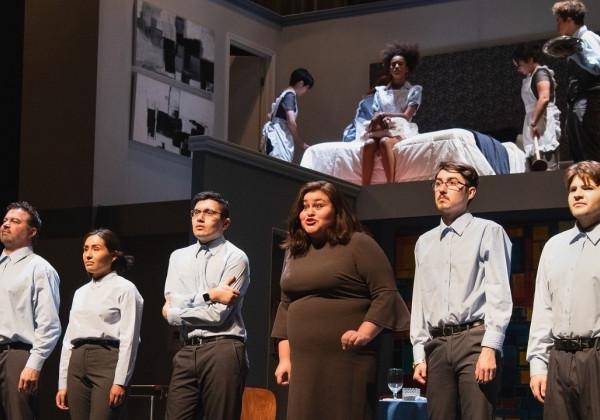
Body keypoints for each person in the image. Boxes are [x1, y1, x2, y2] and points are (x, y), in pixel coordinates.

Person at [272, 180, 410, 420]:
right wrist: (285, 358)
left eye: (318, 205)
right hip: (304, 363)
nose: (310, 212)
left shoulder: (359, 244)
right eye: (305, 206)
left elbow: (386, 293)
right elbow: (286, 305)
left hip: (347, 359)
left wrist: (364, 333)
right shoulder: (294, 250)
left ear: (336, 210)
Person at [410, 162, 513, 420]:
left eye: (453, 183)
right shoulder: (424, 242)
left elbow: (499, 293)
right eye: (439, 183)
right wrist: (418, 354)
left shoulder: (488, 231)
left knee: (477, 415)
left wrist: (490, 347)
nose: (443, 189)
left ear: (470, 192)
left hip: (475, 339)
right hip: (437, 344)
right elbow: (420, 300)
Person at [162, 191, 250, 420]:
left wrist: (178, 309)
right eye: (196, 212)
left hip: (222, 348)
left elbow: (217, 315)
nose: (200, 218)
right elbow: (169, 306)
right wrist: (210, 294)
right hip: (186, 348)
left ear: (225, 222)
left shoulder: (236, 258)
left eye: (209, 213)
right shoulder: (177, 257)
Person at [527, 160, 600, 419]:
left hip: (596, 356)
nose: (578, 194)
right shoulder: (554, 247)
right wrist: (538, 365)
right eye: (573, 189)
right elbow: (543, 309)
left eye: (588, 188)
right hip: (559, 357)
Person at [55, 229, 143, 420]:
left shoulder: (125, 289)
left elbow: (130, 339)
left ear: (113, 256)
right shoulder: (80, 292)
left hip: (107, 360)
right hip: (77, 363)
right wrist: (63, 382)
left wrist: (121, 381)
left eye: (96, 248)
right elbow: (69, 340)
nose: (88, 254)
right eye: (86, 249)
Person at [0, 201, 61, 420]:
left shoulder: (39, 268)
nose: (6, 225)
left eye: (15, 221)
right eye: (5, 220)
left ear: (32, 231)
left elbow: (49, 325)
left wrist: (34, 364)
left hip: (17, 355)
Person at [362, 42, 422, 185]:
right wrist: (379, 119)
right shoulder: (380, 92)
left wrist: (385, 114)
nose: (396, 67)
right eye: (393, 64)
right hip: (383, 127)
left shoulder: (414, 90)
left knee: (384, 142)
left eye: (400, 64)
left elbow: (407, 115)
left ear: (407, 68)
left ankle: (391, 185)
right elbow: (376, 113)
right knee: (369, 144)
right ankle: (364, 186)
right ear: (389, 68)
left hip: (401, 128)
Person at [552, 1, 600, 162]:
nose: (557, 26)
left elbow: (597, 66)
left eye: (559, 20)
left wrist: (575, 52)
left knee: (589, 152)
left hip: (589, 100)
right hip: (580, 100)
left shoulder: (587, 38)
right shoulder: (577, 41)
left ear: (570, 20)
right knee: (580, 150)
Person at [513, 43, 561, 170]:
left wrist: (534, 122)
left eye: (519, 65)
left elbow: (544, 97)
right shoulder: (531, 76)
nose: (518, 69)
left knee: (547, 165)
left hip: (542, 121)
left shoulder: (541, 73)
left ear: (529, 60)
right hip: (533, 120)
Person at [262, 68, 314, 162]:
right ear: (301, 83)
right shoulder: (290, 96)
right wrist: (300, 142)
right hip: (279, 140)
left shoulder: (283, 94)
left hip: (273, 137)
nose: (305, 92)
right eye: (306, 88)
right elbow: (291, 122)